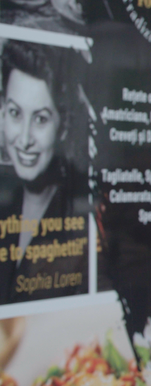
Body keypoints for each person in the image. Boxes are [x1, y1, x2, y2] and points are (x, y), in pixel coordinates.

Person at [0, 41, 88, 303]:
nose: (25, 139)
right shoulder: (5, 198)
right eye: (15, 113)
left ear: (63, 126)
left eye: (40, 119)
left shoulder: (83, 210)